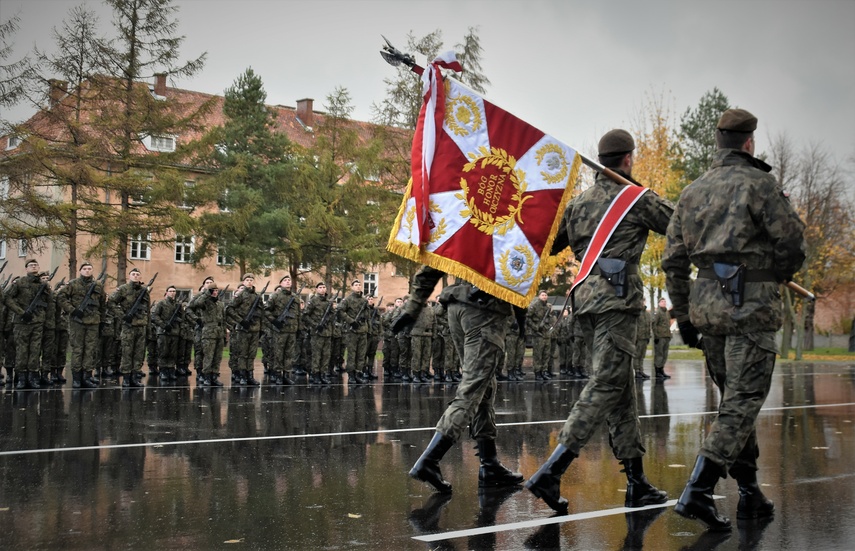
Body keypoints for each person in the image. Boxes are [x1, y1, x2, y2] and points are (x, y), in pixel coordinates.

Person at [663, 108, 806, 530]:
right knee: (742, 404)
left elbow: (672, 261)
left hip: (708, 311)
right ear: (749, 143)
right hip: (750, 308)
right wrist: (778, 274)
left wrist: (683, 313)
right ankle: (699, 491)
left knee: (733, 405)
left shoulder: (692, 191)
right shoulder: (760, 184)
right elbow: (793, 242)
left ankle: (749, 492)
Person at [526, 129, 672, 513]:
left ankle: (637, 481)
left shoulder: (577, 205)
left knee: (621, 389)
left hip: (586, 304)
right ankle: (551, 470)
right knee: (606, 383)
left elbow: (549, 243)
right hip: (617, 303)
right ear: (627, 159)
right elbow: (677, 222)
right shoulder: (635, 199)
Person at [394, 266, 524, 493]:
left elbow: (431, 265)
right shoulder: (505, 228)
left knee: (483, 384)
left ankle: (489, 463)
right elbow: (520, 263)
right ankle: (429, 461)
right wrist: (522, 313)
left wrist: (413, 306)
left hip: (457, 303)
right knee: (473, 389)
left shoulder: (461, 227)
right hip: (486, 307)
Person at [58, 262, 106, 389]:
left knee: (90, 350)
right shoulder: (73, 284)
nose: (87, 271)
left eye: (89, 269)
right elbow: (60, 297)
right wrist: (72, 310)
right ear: (80, 270)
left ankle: (87, 376)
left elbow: (102, 304)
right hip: (77, 322)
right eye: (84, 269)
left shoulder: (98, 285)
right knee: (78, 350)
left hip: (93, 322)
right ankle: (77, 378)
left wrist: (102, 321)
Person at [4, 259, 48, 389]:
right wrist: (21, 312)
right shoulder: (19, 283)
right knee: (22, 350)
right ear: (26, 268)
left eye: (35, 265)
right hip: (21, 322)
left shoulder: (42, 284)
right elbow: (7, 298)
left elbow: (49, 303)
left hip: (37, 322)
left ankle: (32, 377)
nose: (33, 266)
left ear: (39, 267)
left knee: (35, 350)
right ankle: (21, 378)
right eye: (31, 265)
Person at [109, 268, 150, 387]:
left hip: (141, 325)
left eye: (138, 274)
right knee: (127, 352)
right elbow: (111, 302)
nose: (136, 276)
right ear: (129, 276)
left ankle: (134, 376)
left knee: (139, 353)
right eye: (133, 274)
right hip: (128, 326)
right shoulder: (123, 289)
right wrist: (122, 316)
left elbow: (147, 310)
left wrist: (148, 327)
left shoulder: (144, 291)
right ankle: (126, 378)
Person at [224, 274, 262, 386]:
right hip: (242, 329)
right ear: (243, 282)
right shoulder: (240, 295)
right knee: (242, 354)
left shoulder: (257, 296)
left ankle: (250, 375)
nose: (249, 282)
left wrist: (258, 321)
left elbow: (261, 312)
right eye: (247, 280)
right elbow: (229, 308)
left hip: (254, 329)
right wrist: (240, 321)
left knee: (252, 354)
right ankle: (242, 376)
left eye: (251, 280)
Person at [187, 282, 227, 387]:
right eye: (213, 291)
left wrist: (224, 334)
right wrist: (206, 293)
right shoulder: (205, 302)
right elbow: (195, 304)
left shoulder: (220, 304)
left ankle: (214, 376)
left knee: (217, 357)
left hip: (219, 332)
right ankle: (206, 376)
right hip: (208, 332)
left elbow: (223, 320)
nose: (215, 292)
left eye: (217, 291)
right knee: (208, 356)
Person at [264, 275, 300, 386]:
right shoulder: (275, 296)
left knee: (289, 354)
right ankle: (278, 375)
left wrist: (299, 328)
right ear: (281, 283)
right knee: (279, 353)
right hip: (280, 330)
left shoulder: (295, 297)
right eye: (285, 280)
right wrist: (274, 321)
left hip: (292, 329)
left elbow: (298, 314)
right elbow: (266, 310)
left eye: (289, 280)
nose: (288, 282)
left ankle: (286, 375)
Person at [302, 282, 333, 385]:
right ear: (316, 289)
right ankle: (315, 375)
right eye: (320, 287)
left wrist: (328, 319)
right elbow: (305, 315)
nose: (322, 289)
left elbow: (333, 315)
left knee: (326, 355)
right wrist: (315, 325)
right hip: (316, 333)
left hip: (327, 333)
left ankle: (323, 375)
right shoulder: (313, 301)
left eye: (324, 287)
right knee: (316, 355)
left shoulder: (329, 302)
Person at [339, 280, 369, 385]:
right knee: (352, 353)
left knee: (361, 354)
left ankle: (358, 373)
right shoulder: (347, 300)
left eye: (359, 285)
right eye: (356, 285)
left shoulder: (364, 300)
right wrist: (351, 321)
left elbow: (367, 316)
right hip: (352, 331)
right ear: (351, 287)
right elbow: (340, 311)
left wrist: (367, 309)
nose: (358, 286)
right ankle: (351, 375)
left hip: (363, 330)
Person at [150, 286, 182, 382]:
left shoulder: (178, 305)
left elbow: (182, 317)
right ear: (167, 292)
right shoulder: (161, 303)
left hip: (174, 331)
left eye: (174, 291)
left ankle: (171, 370)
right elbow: (155, 316)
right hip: (163, 332)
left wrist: (177, 320)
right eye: (170, 291)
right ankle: (163, 370)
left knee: (173, 352)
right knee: (163, 351)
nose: (172, 293)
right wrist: (163, 325)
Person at [527, 290, 553, 380]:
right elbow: (528, 318)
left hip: (546, 333)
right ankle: (537, 372)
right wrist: (535, 327)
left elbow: (550, 319)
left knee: (546, 354)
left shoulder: (547, 307)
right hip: (538, 334)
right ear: (539, 296)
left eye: (546, 295)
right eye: (542, 295)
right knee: (538, 354)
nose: (544, 296)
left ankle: (544, 371)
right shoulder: (534, 305)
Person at [651, 298, 672, 379]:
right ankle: (658, 371)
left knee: (664, 354)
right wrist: (656, 336)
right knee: (659, 354)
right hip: (660, 337)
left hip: (666, 336)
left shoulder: (667, 312)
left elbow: (668, 324)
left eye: (665, 301)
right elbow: (654, 324)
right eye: (662, 302)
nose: (664, 303)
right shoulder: (658, 312)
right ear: (659, 303)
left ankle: (662, 370)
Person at [633, 307, 652, 380]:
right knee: (637, 355)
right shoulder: (637, 313)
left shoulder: (647, 314)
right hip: (639, 337)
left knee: (642, 355)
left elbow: (649, 325)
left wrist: (649, 336)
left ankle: (641, 371)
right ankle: (637, 371)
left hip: (645, 337)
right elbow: (634, 325)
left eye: (644, 301)